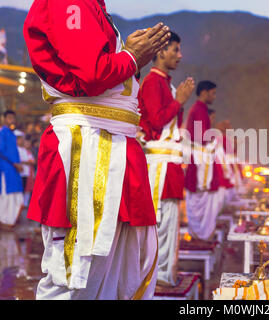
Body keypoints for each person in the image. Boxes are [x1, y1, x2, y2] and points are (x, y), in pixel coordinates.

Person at [23, 0, 172, 300]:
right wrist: (131, 57)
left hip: (109, 141)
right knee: (75, 273)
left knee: (118, 269)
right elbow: (92, 73)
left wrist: (130, 55)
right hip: (88, 144)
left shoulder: (94, 7)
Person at [138, 32, 195, 287]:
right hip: (157, 167)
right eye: (176, 50)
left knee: (170, 224)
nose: (180, 55)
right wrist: (179, 101)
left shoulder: (165, 84)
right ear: (161, 51)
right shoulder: (152, 83)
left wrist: (177, 101)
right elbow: (156, 121)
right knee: (159, 223)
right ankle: (155, 277)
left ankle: (164, 274)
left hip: (168, 165)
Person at [184, 81, 224, 241]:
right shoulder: (199, 110)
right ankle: (200, 236)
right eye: (213, 93)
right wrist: (214, 138)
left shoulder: (199, 109)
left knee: (201, 201)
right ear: (204, 93)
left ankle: (200, 235)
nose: (214, 97)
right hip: (201, 162)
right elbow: (202, 138)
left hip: (200, 159)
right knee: (199, 200)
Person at [0, 110, 24, 230]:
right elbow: (1, 150)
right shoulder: (2, 132)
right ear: (4, 119)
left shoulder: (12, 134)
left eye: (13, 118)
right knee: (6, 195)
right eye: (9, 118)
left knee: (15, 194)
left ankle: (10, 220)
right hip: (5, 168)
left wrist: (17, 164)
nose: (11, 120)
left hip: (14, 168)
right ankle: (3, 221)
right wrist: (15, 163)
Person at [16, 133, 36, 206]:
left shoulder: (29, 151)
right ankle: (22, 203)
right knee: (23, 187)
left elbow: (33, 161)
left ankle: (25, 203)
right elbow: (21, 160)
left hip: (29, 172)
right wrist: (28, 162)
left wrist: (28, 162)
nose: (27, 144)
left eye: (28, 143)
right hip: (22, 171)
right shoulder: (20, 149)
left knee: (28, 188)